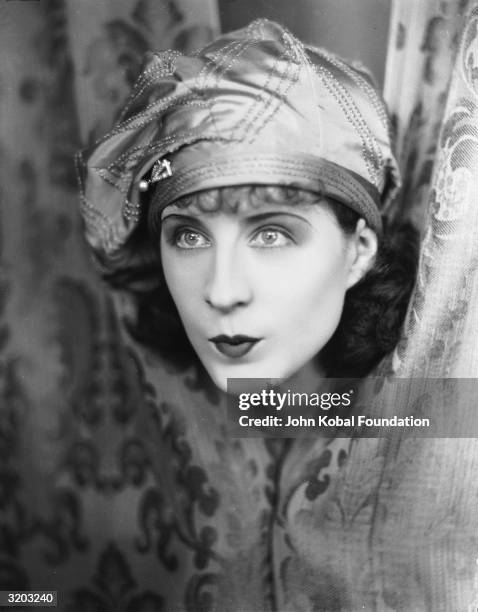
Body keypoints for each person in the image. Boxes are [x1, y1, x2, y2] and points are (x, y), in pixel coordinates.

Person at [78, 18, 418, 611]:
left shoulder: (442, 421)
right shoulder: (118, 436)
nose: (222, 290)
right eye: (187, 236)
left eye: (272, 235)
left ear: (359, 251)